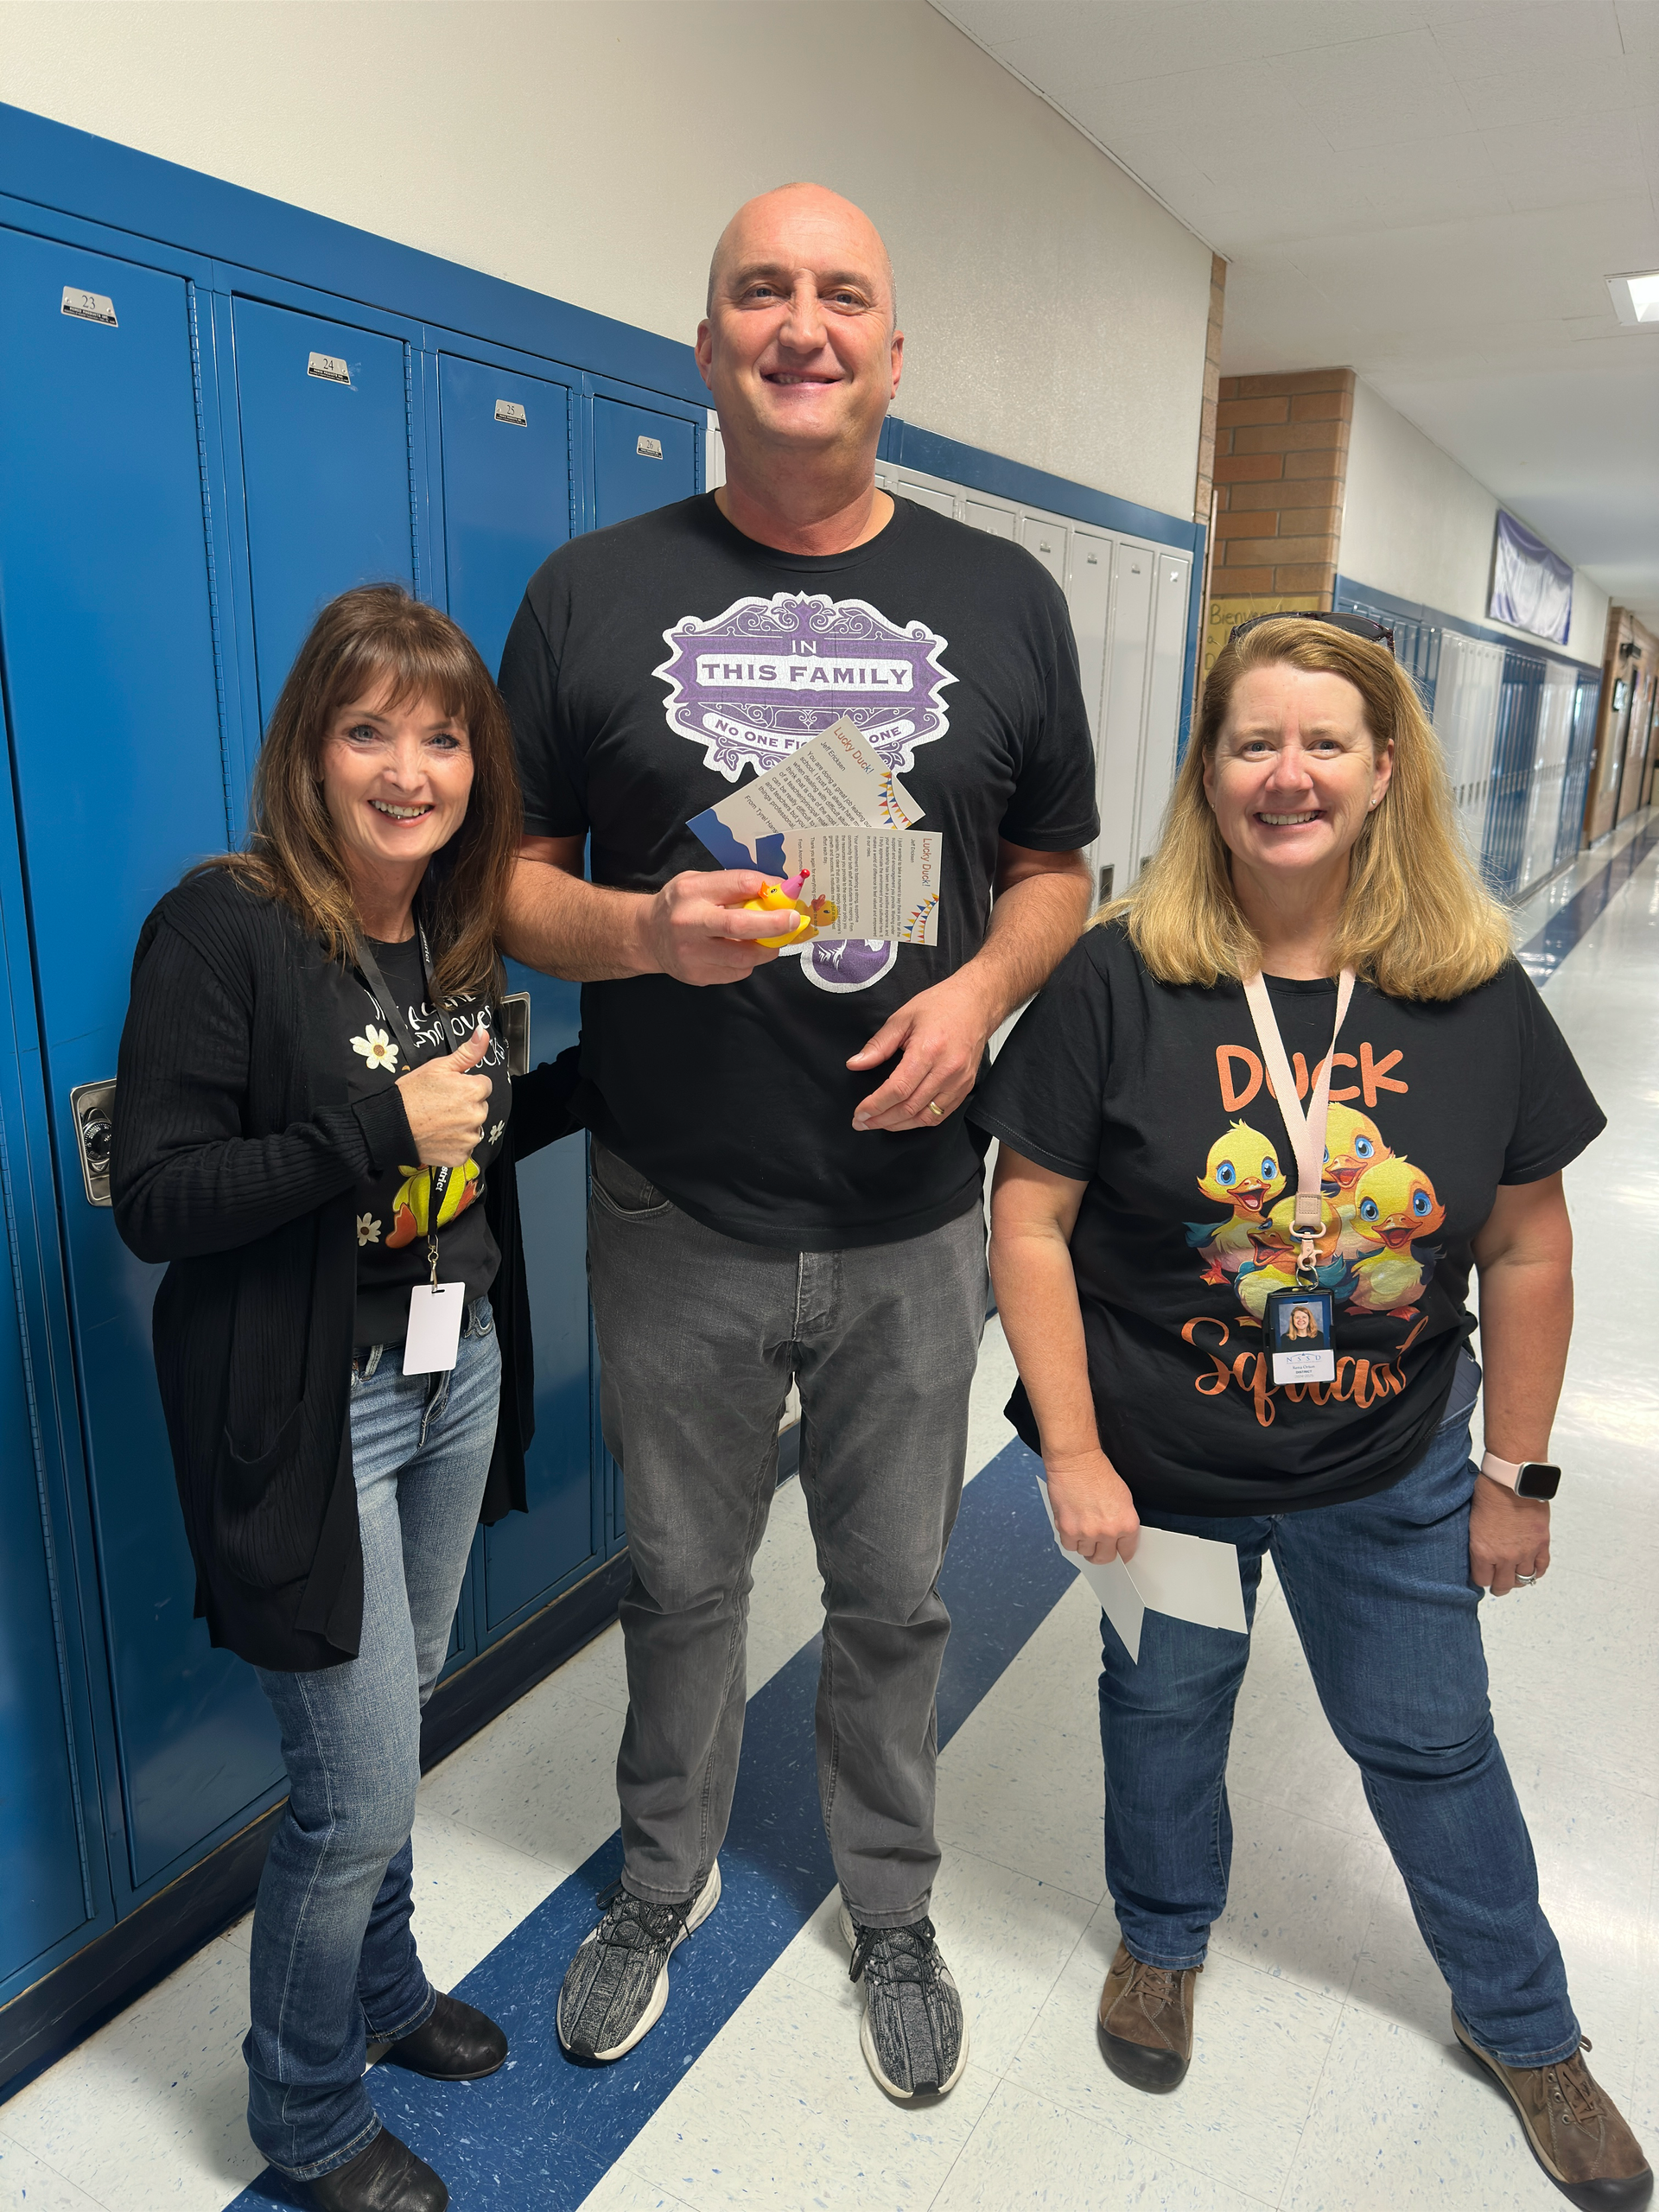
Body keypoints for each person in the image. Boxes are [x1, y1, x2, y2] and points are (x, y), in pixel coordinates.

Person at [497, 182, 1096, 2097]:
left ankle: (890, 1898)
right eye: (764, 290)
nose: (804, 322)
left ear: (893, 357)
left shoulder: (1007, 595)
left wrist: (979, 991)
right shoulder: (588, 591)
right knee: (677, 1582)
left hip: (918, 1222)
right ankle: (656, 1882)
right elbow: (505, 886)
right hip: (679, 1211)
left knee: (896, 1595)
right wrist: (641, 931)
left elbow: (1056, 869)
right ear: (708, 347)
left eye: (845, 294)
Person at [974, 616, 1651, 2209]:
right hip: (1164, 1468)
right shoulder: (1120, 973)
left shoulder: (1466, 988)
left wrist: (1518, 1477)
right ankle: (1159, 1944)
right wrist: (1070, 1451)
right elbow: (1029, 1217)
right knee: (1160, 1719)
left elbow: (1531, 1241)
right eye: (1251, 744)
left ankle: (1529, 2029)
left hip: (1395, 1463)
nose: (1287, 777)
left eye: (1323, 744)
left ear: (1384, 769)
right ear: (1207, 775)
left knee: (1430, 1748)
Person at [113, 587, 579, 2212]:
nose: (409, 768)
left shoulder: (441, 931)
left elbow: (468, 1144)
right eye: (368, 730)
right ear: (309, 752)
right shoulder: (226, 926)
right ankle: (304, 2117)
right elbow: (158, 1198)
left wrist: (649, 1058)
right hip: (315, 1407)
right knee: (355, 1784)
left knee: (401, 1717)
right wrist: (376, 1130)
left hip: (454, 1373)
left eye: (442, 736)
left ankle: (383, 1992)